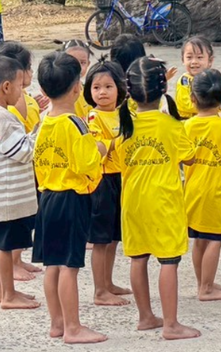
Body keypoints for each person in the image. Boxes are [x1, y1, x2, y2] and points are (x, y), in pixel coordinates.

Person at [117, 58, 200, 340]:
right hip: (164, 202)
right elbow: (190, 157)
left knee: (138, 258)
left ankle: (145, 317)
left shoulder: (125, 125)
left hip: (133, 201)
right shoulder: (171, 125)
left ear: (129, 92)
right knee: (168, 261)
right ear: (164, 89)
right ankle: (171, 324)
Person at [32, 52, 108, 344]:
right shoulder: (75, 124)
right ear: (78, 88)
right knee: (69, 266)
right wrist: (100, 149)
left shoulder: (44, 122)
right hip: (71, 199)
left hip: (47, 197)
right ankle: (73, 328)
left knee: (52, 264)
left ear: (43, 89)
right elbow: (87, 163)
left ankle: (57, 322)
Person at [0, 51, 41, 310]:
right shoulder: (2, 118)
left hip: (0, 198)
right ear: (6, 87)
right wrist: (41, 131)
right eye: (19, 86)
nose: (21, 91)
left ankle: (4, 291)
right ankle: (8, 295)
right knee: (4, 248)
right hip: (6, 198)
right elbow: (24, 152)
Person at [184, 69, 221, 302]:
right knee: (215, 239)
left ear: (192, 98)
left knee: (199, 239)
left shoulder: (186, 127)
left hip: (193, 191)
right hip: (217, 193)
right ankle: (206, 288)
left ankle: (203, 283)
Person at [83, 60, 131, 306]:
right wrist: (118, 140)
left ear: (119, 88)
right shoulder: (94, 116)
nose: (102, 92)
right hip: (102, 181)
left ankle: (108, 282)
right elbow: (98, 147)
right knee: (101, 239)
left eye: (108, 86)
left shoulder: (124, 112)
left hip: (120, 177)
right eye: (96, 87)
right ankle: (99, 290)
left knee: (113, 238)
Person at [173, 36, 217, 119]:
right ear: (183, 60)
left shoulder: (211, 79)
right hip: (187, 121)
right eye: (189, 57)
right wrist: (211, 107)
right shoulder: (184, 81)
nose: (194, 62)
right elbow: (186, 104)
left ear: (210, 61)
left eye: (199, 57)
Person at [57, 39, 95, 118]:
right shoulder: (60, 91)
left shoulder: (88, 90)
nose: (78, 67)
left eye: (82, 62)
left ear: (88, 64)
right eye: (72, 62)